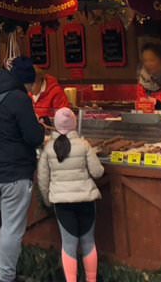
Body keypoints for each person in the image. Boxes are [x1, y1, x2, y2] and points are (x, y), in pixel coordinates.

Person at [0, 57, 45, 282]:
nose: (30, 89)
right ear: (25, 81)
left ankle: (1, 269)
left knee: (7, 225)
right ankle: (6, 276)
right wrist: (39, 126)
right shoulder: (19, 99)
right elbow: (33, 136)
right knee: (13, 228)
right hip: (15, 171)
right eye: (30, 85)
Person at [37, 108, 103, 282]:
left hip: (62, 202)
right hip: (86, 199)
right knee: (88, 242)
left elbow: (43, 179)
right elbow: (97, 172)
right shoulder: (84, 145)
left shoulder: (49, 148)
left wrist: (47, 200)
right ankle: (91, 279)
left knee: (69, 245)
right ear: (74, 124)